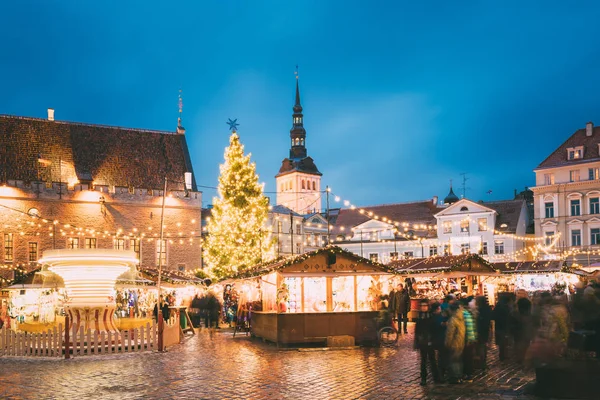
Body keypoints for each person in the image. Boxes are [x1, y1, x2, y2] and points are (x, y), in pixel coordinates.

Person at [414, 300, 441, 385]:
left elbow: (435, 330)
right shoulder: (419, 318)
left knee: (432, 360)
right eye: (422, 306)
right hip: (422, 341)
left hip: (430, 341)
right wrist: (417, 341)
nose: (423, 307)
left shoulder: (431, 317)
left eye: (425, 306)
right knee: (423, 360)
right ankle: (423, 378)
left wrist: (433, 340)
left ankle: (436, 377)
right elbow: (417, 330)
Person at [445, 302, 465, 384]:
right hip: (461, 342)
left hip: (454, 343)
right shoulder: (461, 317)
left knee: (453, 361)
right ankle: (459, 376)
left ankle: (455, 377)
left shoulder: (453, 319)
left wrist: (447, 343)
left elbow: (450, 333)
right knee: (458, 360)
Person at [431, 302, 448, 382]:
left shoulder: (433, 316)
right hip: (440, 339)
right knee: (441, 358)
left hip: (436, 339)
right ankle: (440, 375)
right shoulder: (438, 317)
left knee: (439, 358)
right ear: (437, 309)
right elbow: (442, 324)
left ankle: (439, 374)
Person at [461, 298, 477, 382]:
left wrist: (469, 338)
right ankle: (468, 373)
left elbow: (468, 327)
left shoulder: (465, 314)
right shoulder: (470, 312)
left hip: (467, 339)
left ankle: (468, 374)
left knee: (466, 357)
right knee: (468, 357)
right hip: (471, 338)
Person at [493, 294, 512, 361]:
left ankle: (502, 355)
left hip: (499, 326)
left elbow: (493, 315)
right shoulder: (506, 307)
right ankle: (504, 355)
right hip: (504, 327)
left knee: (502, 342)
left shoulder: (498, 306)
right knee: (504, 341)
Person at [475, 296, 492, 370]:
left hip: (481, 329)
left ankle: (481, 362)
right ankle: (483, 361)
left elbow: (479, 321)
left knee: (481, 346)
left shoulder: (480, 309)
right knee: (483, 345)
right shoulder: (488, 308)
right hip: (486, 329)